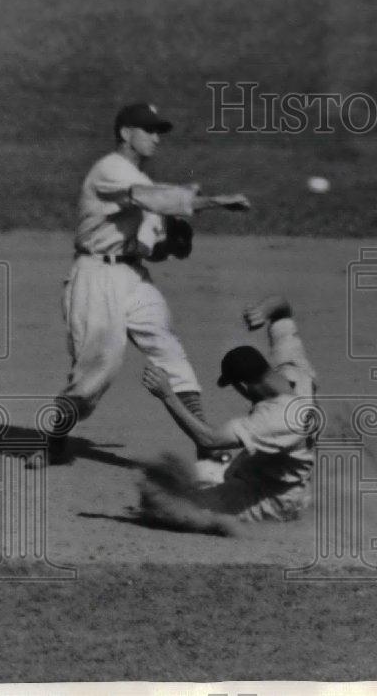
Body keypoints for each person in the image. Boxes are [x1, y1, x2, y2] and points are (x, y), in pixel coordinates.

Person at [46, 102, 249, 464]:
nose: (157, 138)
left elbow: (150, 248)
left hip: (132, 276)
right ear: (126, 133)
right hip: (95, 277)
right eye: (149, 130)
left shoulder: (140, 182)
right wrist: (214, 201)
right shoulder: (109, 170)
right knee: (97, 369)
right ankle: (55, 437)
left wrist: (171, 245)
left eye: (160, 132)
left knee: (168, 350)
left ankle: (206, 443)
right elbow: (154, 199)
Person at [137, 296, 319, 532]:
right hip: (273, 476)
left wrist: (167, 395)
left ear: (243, 385)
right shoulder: (296, 371)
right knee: (211, 474)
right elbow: (283, 313)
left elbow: (208, 440)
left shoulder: (277, 418)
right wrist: (264, 310)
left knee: (171, 508)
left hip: (273, 497)